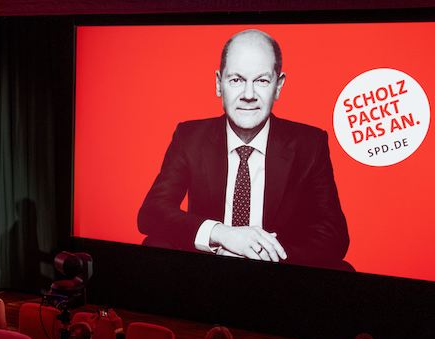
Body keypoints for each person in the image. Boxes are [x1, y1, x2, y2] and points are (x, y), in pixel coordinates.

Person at [138, 29, 349, 269]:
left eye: (261, 80)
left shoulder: (309, 143)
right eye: (236, 80)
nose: (248, 95)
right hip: (206, 266)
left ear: (278, 86)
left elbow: (334, 235)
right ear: (219, 84)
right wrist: (222, 234)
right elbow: (152, 213)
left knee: (341, 269)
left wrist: (261, 253)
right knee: (154, 245)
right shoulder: (191, 136)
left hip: (278, 273)